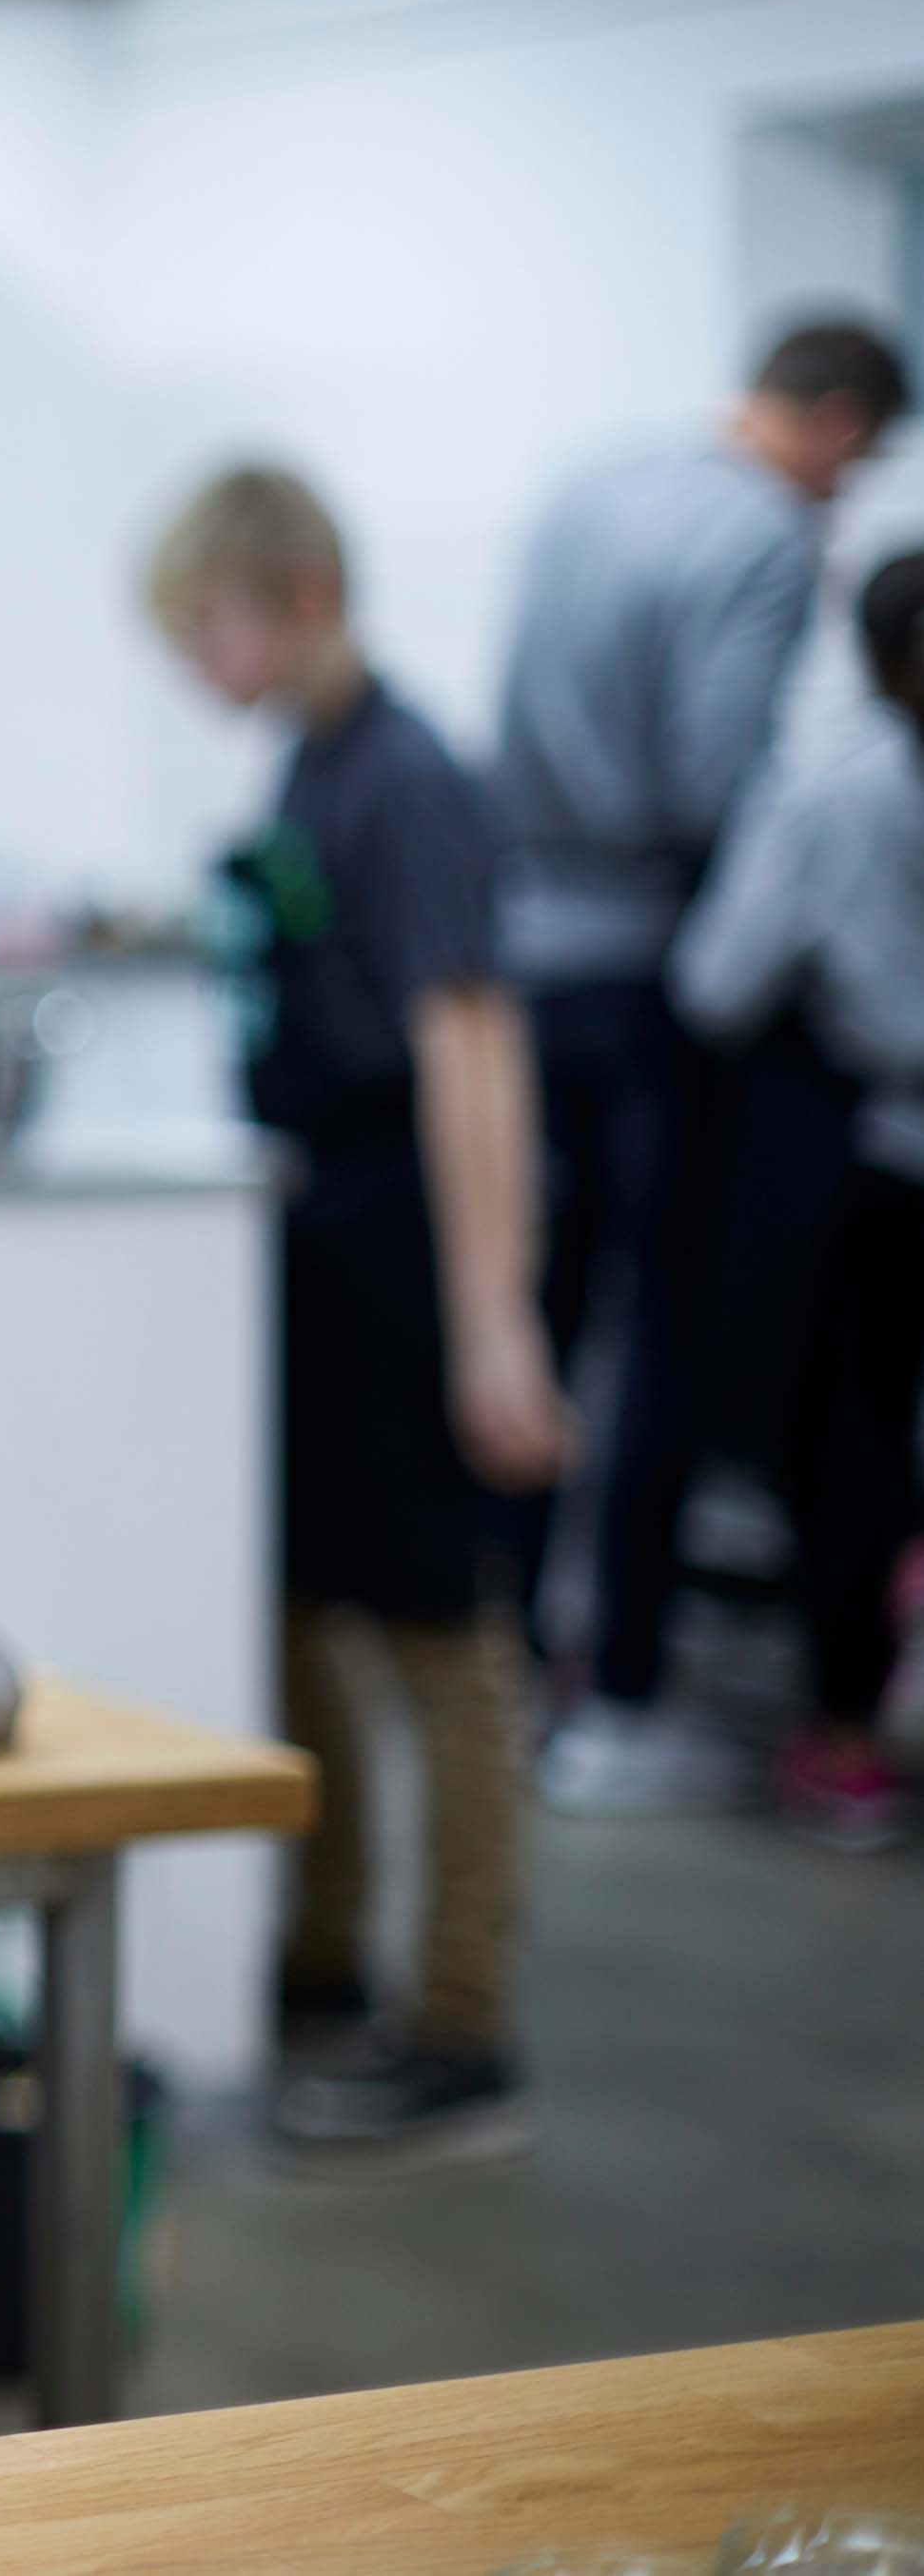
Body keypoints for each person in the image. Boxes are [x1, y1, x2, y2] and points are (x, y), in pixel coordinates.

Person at [147, 466, 572, 2163]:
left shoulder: (410, 781)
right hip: (325, 1252)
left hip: (411, 1253)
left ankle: (462, 2021)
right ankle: (321, 1959)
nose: (192, 660)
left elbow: (472, 1044)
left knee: (442, 1642)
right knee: (310, 1611)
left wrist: (493, 1318)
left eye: (205, 624)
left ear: (302, 595)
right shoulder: (311, 766)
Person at [495, 318, 907, 1811]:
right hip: (648, 980)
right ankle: (622, 1688)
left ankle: (516, 1659)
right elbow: (712, 782)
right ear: (835, 421)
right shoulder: (759, 540)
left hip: (531, 957)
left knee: (539, 1321)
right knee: (657, 1335)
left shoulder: (589, 487)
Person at [669, 551, 924, 1852]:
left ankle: (841, 1735)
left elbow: (717, 983)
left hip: (870, 1161)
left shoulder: (828, 792)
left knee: (848, 1452)